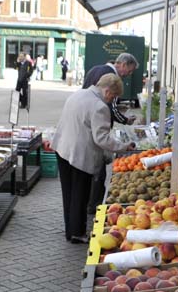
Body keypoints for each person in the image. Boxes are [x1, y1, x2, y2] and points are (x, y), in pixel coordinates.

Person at [52, 74, 134, 243]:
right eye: (113, 95)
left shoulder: (78, 94)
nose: (113, 100)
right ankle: (77, 233)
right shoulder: (99, 107)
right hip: (80, 155)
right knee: (80, 195)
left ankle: (70, 230)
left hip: (62, 149)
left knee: (68, 193)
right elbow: (101, 138)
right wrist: (123, 146)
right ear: (106, 90)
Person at [83, 53, 140, 212]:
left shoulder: (95, 70)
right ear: (122, 64)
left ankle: (88, 202)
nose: (128, 75)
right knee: (98, 168)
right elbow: (112, 107)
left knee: (89, 169)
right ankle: (94, 206)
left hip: (86, 125)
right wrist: (125, 120)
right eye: (129, 70)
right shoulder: (111, 79)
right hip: (98, 125)